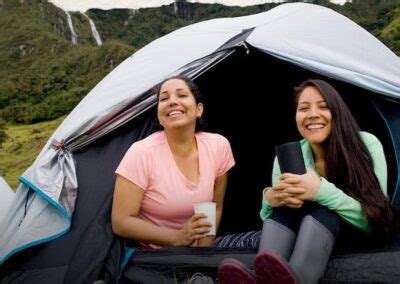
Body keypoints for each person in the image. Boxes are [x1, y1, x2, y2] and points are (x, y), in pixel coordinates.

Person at [218, 79, 398, 284]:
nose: (312, 114)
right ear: (296, 116)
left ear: (337, 112)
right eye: (303, 108)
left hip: (359, 231)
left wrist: (321, 191)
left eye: (323, 107)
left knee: (322, 209)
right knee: (286, 207)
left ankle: (299, 278)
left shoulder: (366, 144)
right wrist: (270, 199)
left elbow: (379, 218)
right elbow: (270, 215)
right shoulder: (287, 157)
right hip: (308, 235)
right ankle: (264, 276)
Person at [111, 76, 235, 249]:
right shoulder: (141, 153)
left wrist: (202, 255)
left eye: (182, 95)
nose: (172, 102)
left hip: (202, 250)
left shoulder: (218, 146)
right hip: (159, 257)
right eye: (164, 98)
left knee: (260, 244)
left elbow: (215, 208)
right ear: (160, 116)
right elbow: (121, 221)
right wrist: (177, 238)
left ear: (199, 109)